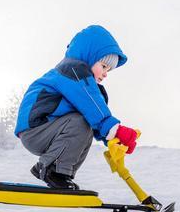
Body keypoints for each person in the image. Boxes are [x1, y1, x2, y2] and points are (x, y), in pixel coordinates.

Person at [14, 25, 138, 190]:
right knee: (80, 123)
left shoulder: (80, 80)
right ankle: (53, 170)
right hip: (37, 129)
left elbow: (93, 116)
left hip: (47, 130)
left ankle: (59, 174)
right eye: (103, 66)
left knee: (84, 125)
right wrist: (117, 130)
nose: (106, 73)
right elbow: (93, 108)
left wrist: (112, 140)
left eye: (109, 70)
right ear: (89, 57)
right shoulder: (73, 71)